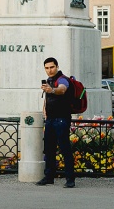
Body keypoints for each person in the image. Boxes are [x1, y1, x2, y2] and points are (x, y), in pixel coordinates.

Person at [36, 57, 74, 188]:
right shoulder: (49, 81)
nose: (49, 70)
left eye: (52, 67)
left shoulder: (62, 79)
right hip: (50, 119)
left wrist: (52, 90)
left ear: (57, 66)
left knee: (65, 149)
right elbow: (47, 98)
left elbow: (62, 89)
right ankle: (49, 177)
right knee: (49, 149)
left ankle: (70, 179)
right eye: (46, 68)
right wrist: (44, 110)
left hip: (62, 118)